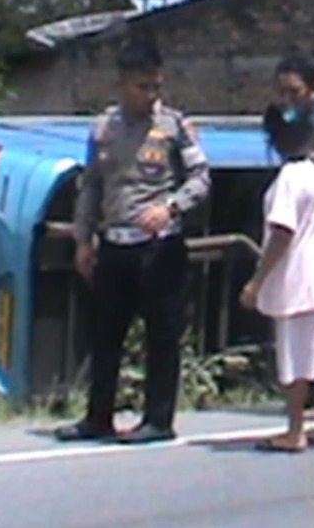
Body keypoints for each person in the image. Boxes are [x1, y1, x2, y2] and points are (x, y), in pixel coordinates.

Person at [57, 35, 211, 445]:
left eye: (156, 86)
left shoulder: (174, 126)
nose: (151, 94)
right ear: (123, 84)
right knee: (105, 333)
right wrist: (83, 239)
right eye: (142, 86)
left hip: (158, 245)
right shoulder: (104, 128)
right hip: (114, 243)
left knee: (162, 334)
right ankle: (98, 416)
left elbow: (201, 179)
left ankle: (158, 419)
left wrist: (171, 208)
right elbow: (90, 186)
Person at [238, 104, 314, 453]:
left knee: (296, 358)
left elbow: (281, 232)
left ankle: (295, 430)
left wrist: (257, 281)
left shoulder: (291, 176)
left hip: (301, 278)